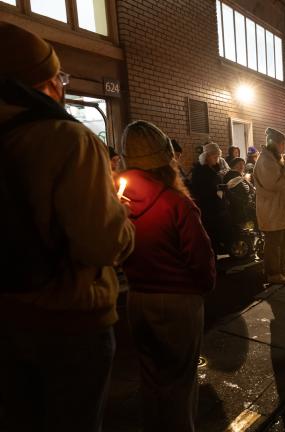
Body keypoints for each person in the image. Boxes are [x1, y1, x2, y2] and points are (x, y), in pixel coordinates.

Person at [0, 22, 135, 431]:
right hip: (69, 321)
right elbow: (102, 244)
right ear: (42, 82)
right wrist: (119, 214)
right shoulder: (68, 140)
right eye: (58, 76)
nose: (62, 84)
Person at [120, 121, 216, 432]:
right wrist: (203, 287)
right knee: (179, 384)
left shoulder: (115, 200)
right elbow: (200, 261)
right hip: (178, 301)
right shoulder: (176, 203)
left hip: (136, 297)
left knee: (150, 381)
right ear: (166, 157)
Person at [254, 128, 285, 285]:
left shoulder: (275, 158)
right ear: (275, 144)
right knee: (274, 244)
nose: (283, 148)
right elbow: (275, 184)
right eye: (282, 144)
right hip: (272, 210)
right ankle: (273, 274)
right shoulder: (265, 160)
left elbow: (284, 181)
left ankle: (282, 272)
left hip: (282, 210)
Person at [191, 142, 231, 253]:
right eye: (215, 156)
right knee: (211, 235)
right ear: (207, 156)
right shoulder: (200, 171)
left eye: (218, 156)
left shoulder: (212, 168)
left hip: (215, 207)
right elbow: (201, 190)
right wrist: (218, 189)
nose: (217, 159)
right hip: (208, 209)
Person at [224, 157, 256, 227]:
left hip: (243, 206)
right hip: (237, 208)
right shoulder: (231, 175)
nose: (242, 166)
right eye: (239, 164)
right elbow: (235, 192)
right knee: (242, 227)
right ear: (233, 165)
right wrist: (244, 201)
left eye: (243, 164)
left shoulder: (240, 176)